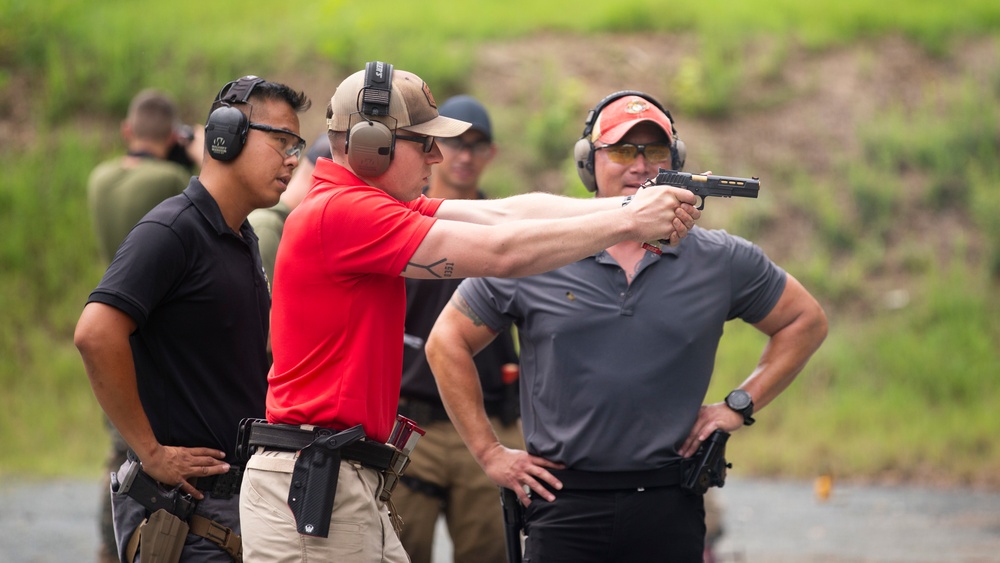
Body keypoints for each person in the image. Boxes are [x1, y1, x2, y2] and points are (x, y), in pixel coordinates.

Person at [238, 62, 701, 562]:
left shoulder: (366, 204)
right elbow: (503, 252)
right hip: (321, 476)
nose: (438, 156)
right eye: (425, 142)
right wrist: (631, 222)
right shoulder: (345, 213)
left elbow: (506, 213)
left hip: (338, 473)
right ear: (375, 145)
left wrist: (627, 208)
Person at [424, 91, 829, 562]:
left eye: (654, 152)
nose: (639, 165)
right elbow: (446, 340)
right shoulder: (538, 250)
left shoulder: (721, 260)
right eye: (620, 150)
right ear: (588, 164)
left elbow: (805, 321)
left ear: (674, 162)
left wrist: (738, 405)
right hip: (563, 501)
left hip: (669, 499)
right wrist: (490, 453)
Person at [74, 76, 311, 562]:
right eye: (281, 141)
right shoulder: (172, 228)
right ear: (226, 136)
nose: (292, 158)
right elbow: (96, 334)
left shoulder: (241, 237)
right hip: (185, 516)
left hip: (229, 508)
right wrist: (151, 452)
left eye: (297, 145)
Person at [390, 95, 524, 563]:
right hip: (409, 425)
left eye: (478, 144)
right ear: (432, 147)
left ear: (492, 154)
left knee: (491, 552)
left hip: (487, 422)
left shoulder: (506, 228)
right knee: (399, 553)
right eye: (455, 143)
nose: (465, 155)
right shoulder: (396, 220)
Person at [85, 87, 204, 563]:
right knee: (144, 451)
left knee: (119, 446)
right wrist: (193, 153)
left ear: (127, 131)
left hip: (111, 314)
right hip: (153, 332)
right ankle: (127, 546)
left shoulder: (101, 176)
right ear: (172, 135)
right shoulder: (171, 178)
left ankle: (108, 547)